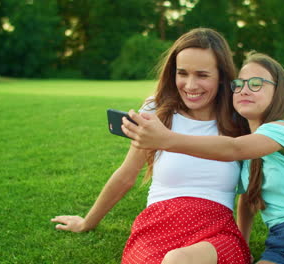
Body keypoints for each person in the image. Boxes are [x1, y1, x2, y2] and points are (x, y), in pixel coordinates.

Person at [122, 52, 284, 264]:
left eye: (256, 84)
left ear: (277, 92)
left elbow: (234, 148)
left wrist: (167, 140)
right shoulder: (250, 153)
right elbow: (246, 200)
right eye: (239, 84)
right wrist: (242, 244)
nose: (245, 90)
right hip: (283, 245)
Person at [50, 28, 251, 264]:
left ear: (222, 76)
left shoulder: (239, 120)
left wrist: (244, 241)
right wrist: (87, 222)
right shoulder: (156, 113)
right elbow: (127, 175)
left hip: (216, 232)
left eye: (202, 75)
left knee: (178, 260)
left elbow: (255, 189)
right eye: (182, 73)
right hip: (157, 227)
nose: (190, 84)